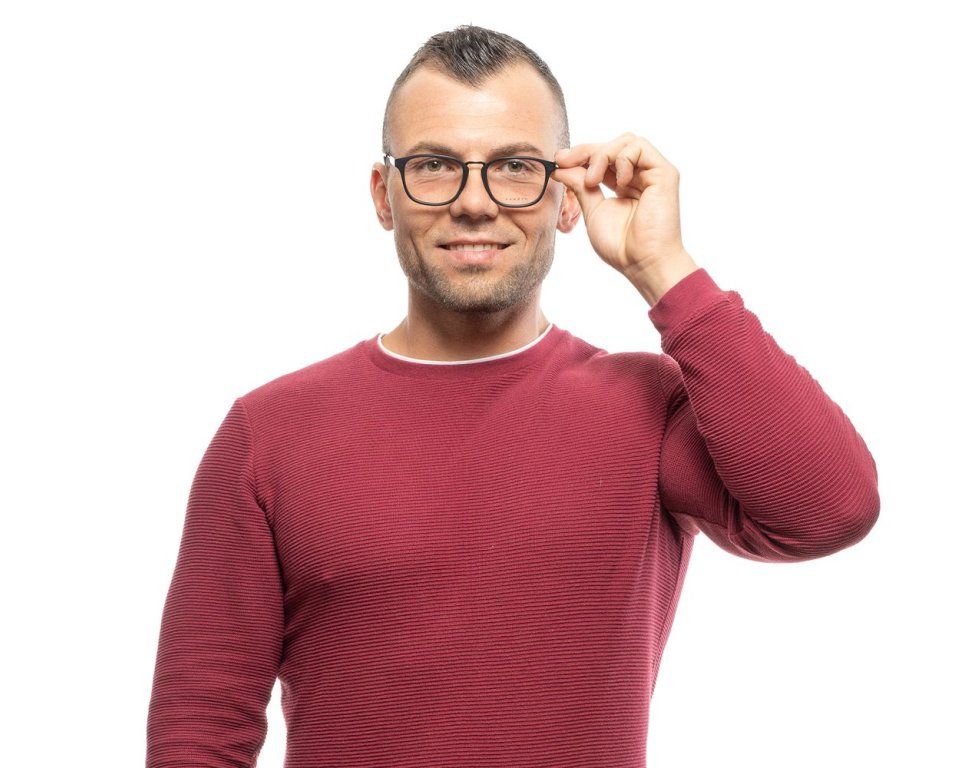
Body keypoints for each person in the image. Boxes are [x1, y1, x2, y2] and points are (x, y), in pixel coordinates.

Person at [145, 24, 880, 768]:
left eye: (515, 167)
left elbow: (832, 509)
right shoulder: (269, 433)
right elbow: (197, 736)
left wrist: (663, 267)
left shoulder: (650, 408)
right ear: (383, 194)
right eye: (435, 166)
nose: (475, 203)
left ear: (567, 198)